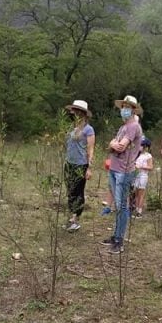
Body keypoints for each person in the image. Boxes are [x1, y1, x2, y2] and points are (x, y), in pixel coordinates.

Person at [101, 94, 142, 255]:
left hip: (124, 171)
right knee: (118, 206)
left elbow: (119, 147)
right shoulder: (124, 126)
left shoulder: (132, 126)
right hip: (115, 168)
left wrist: (113, 144)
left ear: (133, 110)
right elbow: (114, 144)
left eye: (127, 107)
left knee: (122, 206)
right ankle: (115, 235)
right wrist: (113, 144)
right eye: (123, 106)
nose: (124, 109)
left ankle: (119, 241)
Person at [63, 99, 95, 232]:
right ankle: (72, 216)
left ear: (82, 113)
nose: (73, 113)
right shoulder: (73, 128)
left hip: (80, 165)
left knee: (78, 191)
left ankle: (75, 218)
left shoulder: (88, 129)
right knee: (70, 191)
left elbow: (90, 148)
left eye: (75, 111)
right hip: (69, 163)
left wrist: (89, 167)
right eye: (73, 110)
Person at [133, 136, 153, 218]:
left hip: (143, 175)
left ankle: (139, 210)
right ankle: (136, 208)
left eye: (142, 145)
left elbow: (151, 167)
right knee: (136, 192)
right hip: (135, 175)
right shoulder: (136, 154)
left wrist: (141, 167)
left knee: (141, 193)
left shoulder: (148, 156)